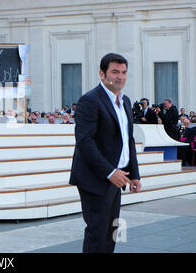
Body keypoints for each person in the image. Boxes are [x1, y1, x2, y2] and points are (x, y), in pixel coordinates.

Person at [69, 53, 141, 253]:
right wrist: (110, 172)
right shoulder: (89, 101)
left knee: (111, 231)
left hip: (116, 178)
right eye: (115, 72)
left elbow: (128, 140)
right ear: (102, 74)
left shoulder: (125, 101)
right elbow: (84, 141)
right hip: (95, 178)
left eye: (124, 72)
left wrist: (133, 174)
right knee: (97, 234)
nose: (120, 77)